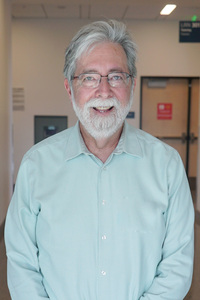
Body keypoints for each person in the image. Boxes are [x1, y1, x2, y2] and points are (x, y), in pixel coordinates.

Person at [5, 20, 194, 300]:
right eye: (90, 78)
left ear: (131, 85)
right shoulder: (36, 166)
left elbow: (177, 265)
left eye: (116, 77)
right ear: (70, 88)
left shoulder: (167, 165)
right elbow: (22, 265)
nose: (104, 92)